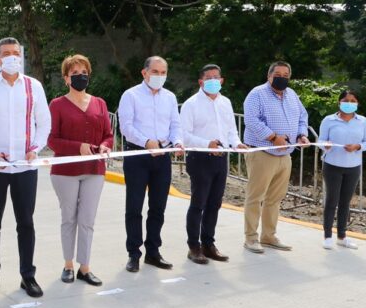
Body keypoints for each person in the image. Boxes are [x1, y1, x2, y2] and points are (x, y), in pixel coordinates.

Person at [0, 37, 51, 297]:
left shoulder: (34, 87)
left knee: (26, 223)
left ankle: (28, 276)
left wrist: (35, 149)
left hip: (25, 168)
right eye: (7, 53)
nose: (13, 57)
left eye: (16, 53)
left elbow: (44, 124)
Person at [47, 54, 113, 286]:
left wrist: (104, 147)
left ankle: (85, 267)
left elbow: (108, 134)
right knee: (69, 218)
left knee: (87, 220)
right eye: (75, 74)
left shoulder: (100, 104)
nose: (80, 77)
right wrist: (78, 147)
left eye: (84, 73)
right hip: (65, 171)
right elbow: (52, 140)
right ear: (66, 78)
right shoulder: (57, 105)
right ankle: (68, 265)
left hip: (95, 169)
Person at [117, 56, 184, 273]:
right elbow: (125, 127)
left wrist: (178, 141)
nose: (159, 76)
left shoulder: (170, 98)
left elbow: (175, 124)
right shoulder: (131, 95)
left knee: (158, 207)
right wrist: (147, 142)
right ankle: (133, 253)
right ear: (144, 73)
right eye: (155, 72)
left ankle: (153, 252)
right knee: (134, 207)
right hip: (138, 155)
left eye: (163, 72)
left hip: (162, 157)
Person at [180, 64, 247, 264]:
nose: (213, 81)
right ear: (200, 82)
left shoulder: (225, 102)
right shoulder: (191, 104)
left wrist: (237, 143)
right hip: (200, 158)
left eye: (216, 77)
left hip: (221, 158)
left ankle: (208, 244)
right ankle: (194, 246)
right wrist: (206, 144)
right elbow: (184, 134)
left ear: (222, 80)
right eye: (208, 78)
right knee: (198, 203)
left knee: (215, 204)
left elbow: (231, 131)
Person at [243, 61, 310, 253]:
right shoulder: (257, 94)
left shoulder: (292, 95)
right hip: (262, 153)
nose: (282, 78)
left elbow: (302, 116)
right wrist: (273, 137)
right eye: (278, 74)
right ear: (269, 75)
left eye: (286, 75)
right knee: (255, 197)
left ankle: (268, 236)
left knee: (275, 198)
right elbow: (251, 120)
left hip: (285, 155)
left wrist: (301, 134)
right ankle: (251, 238)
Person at [319, 90, 365, 250]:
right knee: (332, 201)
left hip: (353, 168)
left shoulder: (363, 121)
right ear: (339, 103)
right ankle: (327, 236)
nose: (349, 103)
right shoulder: (328, 120)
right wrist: (325, 145)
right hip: (332, 166)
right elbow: (320, 140)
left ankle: (342, 236)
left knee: (345, 202)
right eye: (346, 100)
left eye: (353, 100)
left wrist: (358, 146)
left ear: (357, 103)